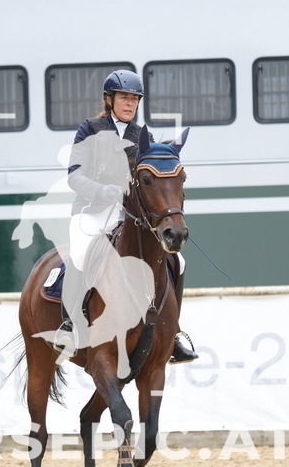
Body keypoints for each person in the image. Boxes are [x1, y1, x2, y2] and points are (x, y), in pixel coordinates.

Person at [54, 69, 198, 364]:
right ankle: (70, 325)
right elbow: (74, 176)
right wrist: (103, 191)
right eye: (124, 98)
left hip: (129, 216)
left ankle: (174, 333)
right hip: (91, 211)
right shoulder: (90, 129)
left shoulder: (142, 135)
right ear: (110, 100)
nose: (130, 104)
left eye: (134, 99)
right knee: (80, 255)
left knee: (177, 260)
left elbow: (154, 176)